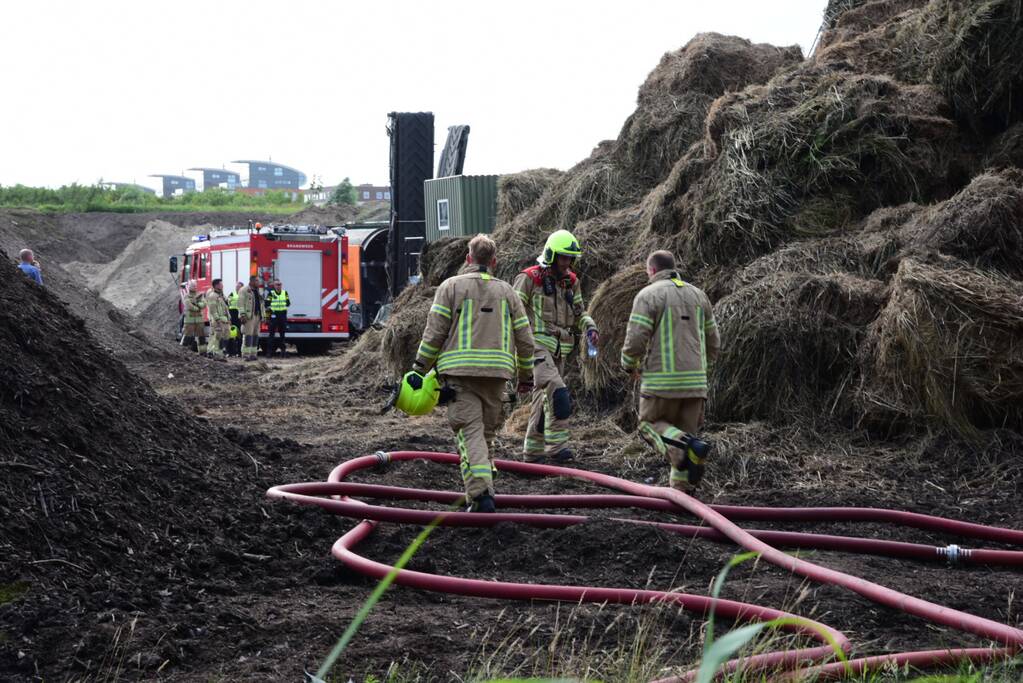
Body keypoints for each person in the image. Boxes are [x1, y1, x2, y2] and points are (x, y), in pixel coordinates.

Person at [412, 234, 535, 512]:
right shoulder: (508, 292)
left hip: (460, 377)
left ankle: (481, 495)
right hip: (497, 377)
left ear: (468, 258)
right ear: (494, 261)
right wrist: (526, 376)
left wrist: (419, 368)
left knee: (470, 434)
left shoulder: (450, 287)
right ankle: (485, 485)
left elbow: (434, 333)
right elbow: (526, 340)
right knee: (485, 435)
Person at [621, 250, 721, 492]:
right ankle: (682, 493)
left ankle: (686, 446)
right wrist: (702, 371)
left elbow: (636, 339)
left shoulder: (648, 295)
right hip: (696, 384)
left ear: (652, 270)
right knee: (684, 439)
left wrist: (628, 364)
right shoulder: (699, 295)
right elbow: (714, 342)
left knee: (649, 425)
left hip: (661, 383)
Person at [512, 229, 598, 464]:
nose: (566, 262)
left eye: (570, 258)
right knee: (558, 392)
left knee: (542, 400)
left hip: (560, 351)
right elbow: (511, 311)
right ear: (551, 255)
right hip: (535, 346)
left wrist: (590, 328)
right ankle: (557, 448)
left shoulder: (572, 282)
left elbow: (580, 313)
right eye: (562, 257)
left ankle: (532, 452)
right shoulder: (529, 278)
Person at [237, 275, 264, 362]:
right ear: (251, 281)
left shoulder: (258, 291)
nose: (258, 282)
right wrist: (242, 315)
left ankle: (253, 354)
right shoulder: (244, 290)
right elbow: (240, 303)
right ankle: (246, 355)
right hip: (249, 317)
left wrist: (263, 315)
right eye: (256, 281)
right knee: (248, 335)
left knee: (255, 336)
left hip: (257, 316)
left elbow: (261, 304)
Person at [205, 279, 231, 362]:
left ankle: (220, 353)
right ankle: (216, 354)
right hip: (218, 321)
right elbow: (213, 310)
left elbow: (226, 308)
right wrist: (217, 320)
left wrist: (229, 318)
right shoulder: (212, 296)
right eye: (221, 284)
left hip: (225, 321)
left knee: (225, 337)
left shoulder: (221, 296)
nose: (222, 285)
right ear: (216, 286)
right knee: (217, 338)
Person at [264, 279, 291, 357]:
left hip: (282, 315)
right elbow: (266, 303)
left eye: (280, 284)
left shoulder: (285, 293)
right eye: (277, 284)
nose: (278, 286)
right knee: (271, 334)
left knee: (282, 334)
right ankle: (269, 352)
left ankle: (283, 352)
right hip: (274, 315)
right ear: (274, 286)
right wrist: (269, 313)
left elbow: (288, 303)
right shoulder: (271, 293)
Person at [181, 281, 208, 354]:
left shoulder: (200, 295)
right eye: (193, 286)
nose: (195, 287)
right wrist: (197, 308)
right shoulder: (186, 296)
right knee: (187, 336)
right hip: (189, 320)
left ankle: (203, 352)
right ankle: (182, 352)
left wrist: (197, 304)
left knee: (201, 337)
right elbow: (188, 305)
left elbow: (204, 304)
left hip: (199, 319)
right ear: (189, 287)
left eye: (195, 285)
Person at [228, 281, 243, 357]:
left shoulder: (243, 295)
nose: (237, 288)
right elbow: (227, 304)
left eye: (239, 286)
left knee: (240, 336)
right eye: (236, 286)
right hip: (233, 317)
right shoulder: (232, 294)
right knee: (232, 335)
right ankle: (231, 352)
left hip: (240, 318)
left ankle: (239, 352)